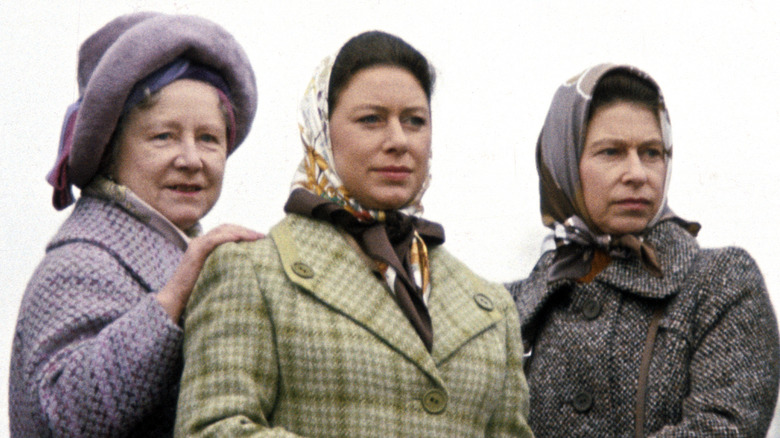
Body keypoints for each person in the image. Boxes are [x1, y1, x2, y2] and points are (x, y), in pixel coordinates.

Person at [174, 31, 534, 437]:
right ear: (322, 131)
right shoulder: (251, 271)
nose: (398, 141)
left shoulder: (491, 308)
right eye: (371, 120)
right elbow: (210, 428)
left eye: (414, 121)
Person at [9, 12, 262, 437]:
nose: (191, 158)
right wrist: (173, 298)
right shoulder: (81, 261)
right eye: (163, 136)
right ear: (111, 148)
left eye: (209, 138)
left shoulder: (184, 252)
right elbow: (61, 416)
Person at [508, 64, 780, 437]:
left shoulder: (721, 284)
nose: (637, 173)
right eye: (611, 152)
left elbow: (722, 428)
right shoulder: (509, 309)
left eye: (652, 152)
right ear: (565, 161)